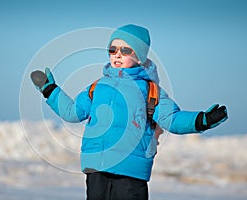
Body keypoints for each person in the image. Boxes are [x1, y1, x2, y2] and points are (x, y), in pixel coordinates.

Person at [30, 24, 228, 200]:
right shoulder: (97, 86)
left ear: (140, 57)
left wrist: (203, 120)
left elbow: (172, 119)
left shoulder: (149, 90)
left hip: (131, 171)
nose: (117, 54)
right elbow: (73, 112)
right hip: (96, 168)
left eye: (125, 50)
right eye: (112, 49)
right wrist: (50, 90)